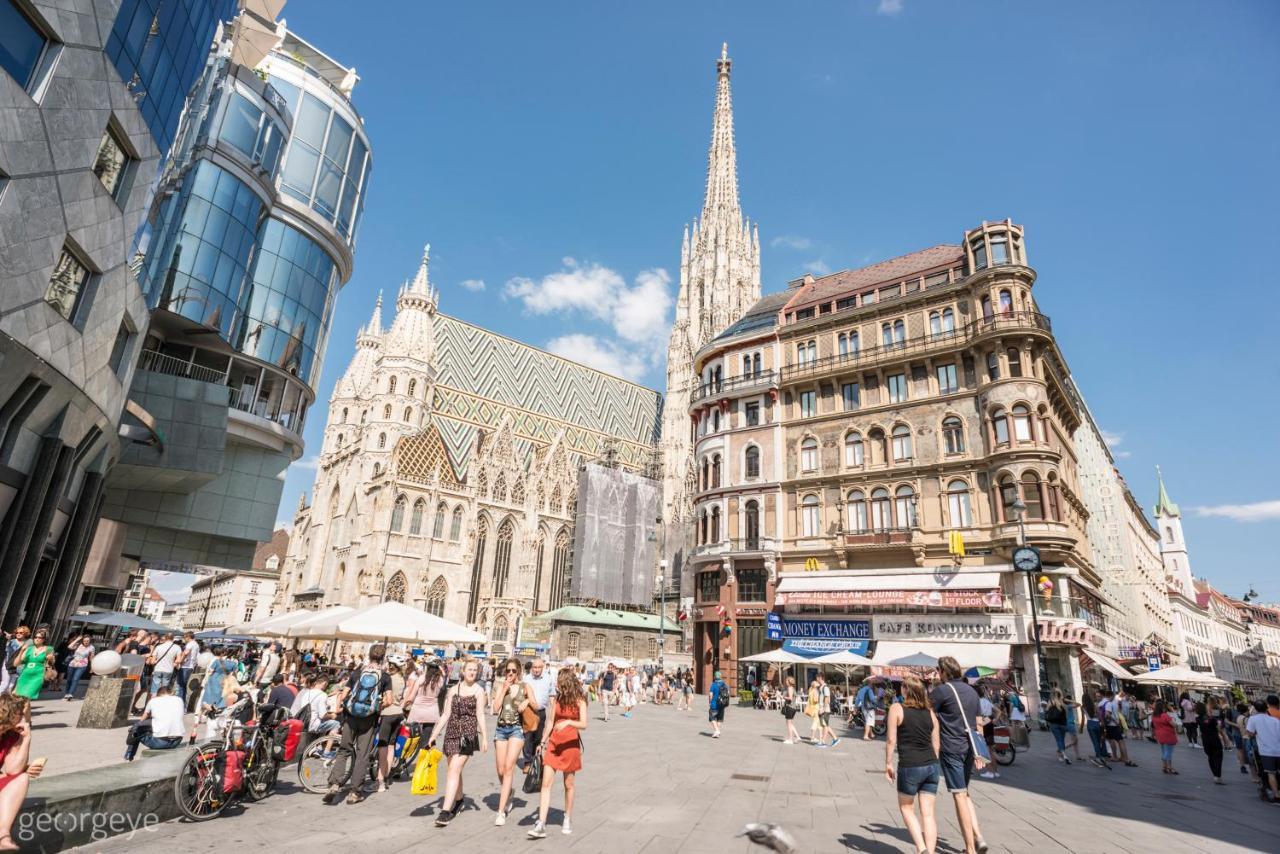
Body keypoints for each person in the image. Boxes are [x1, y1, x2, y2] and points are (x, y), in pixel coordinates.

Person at [928, 656, 988, 854]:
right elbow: (979, 723)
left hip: (952, 746)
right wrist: (981, 752)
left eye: (939, 670)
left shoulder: (942, 691)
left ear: (944, 671)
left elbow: (927, 715)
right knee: (966, 793)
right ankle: (978, 836)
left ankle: (970, 849)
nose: (938, 673)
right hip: (971, 748)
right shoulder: (971, 691)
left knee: (959, 796)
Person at [323, 643, 393, 805]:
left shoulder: (357, 672)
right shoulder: (384, 676)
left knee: (344, 750)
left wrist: (341, 708)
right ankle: (355, 792)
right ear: (383, 658)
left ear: (368, 655)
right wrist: (377, 706)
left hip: (351, 716)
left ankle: (334, 783)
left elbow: (344, 693)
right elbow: (389, 700)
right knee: (362, 755)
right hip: (369, 719)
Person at [528, 667, 588, 838]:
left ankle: (567, 817)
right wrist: (542, 742)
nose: (556, 684)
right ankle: (541, 823)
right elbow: (550, 723)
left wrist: (568, 722)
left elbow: (584, 723)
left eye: (559, 682)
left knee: (568, 784)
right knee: (546, 784)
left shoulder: (579, 700)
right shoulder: (557, 700)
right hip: (554, 744)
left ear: (566, 682)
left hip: (570, 745)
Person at [427, 658, 487, 826]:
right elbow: (445, 714)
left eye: (475, 670)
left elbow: (481, 715)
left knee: (454, 769)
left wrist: (484, 737)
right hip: (451, 733)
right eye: (470, 669)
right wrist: (433, 735)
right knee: (454, 770)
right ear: (463, 671)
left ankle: (446, 811)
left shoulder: (479, 691)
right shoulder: (453, 689)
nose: (472, 672)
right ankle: (459, 800)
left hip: (467, 735)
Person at [886, 676, 940, 854]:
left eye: (902, 687)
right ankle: (930, 852)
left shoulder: (897, 708)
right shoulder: (930, 712)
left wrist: (888, 763)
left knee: (906, 807)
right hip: (931, 765)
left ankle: (922, 848)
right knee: (928, 813)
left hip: (910, 765)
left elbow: (891, 740)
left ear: (906, 690)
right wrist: (933, 762)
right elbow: (936, 744)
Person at [490, 657, 533, 824]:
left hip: (516, 729)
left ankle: (501, 811)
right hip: (501, 729)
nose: (510, 674)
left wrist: (528, 700)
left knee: (509, 768)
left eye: (514, 671)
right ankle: (509, 792)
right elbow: (495, 708)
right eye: (508, 671)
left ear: (519, 671)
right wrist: (503, 689)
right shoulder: (503, 686)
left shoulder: (525, 687)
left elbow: (537, 705)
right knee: (500, 770)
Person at [0, 694, 45, 851]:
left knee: (22, 778)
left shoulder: (11, 735)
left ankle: (3, 835)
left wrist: (26, 738)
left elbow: (13, 770)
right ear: (10, 714)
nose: (26, 718)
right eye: (24, 713)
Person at [124, 684, 185, 760]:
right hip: (177, 741)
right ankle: (129, 756)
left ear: (158, 695)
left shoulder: (153, 701)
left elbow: (144, 717)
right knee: (154, 725)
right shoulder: (179, 700)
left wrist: (135, 726)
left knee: (136, 729)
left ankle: (129, 756)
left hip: (160, 743)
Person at [374, 655, 408, 793]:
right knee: (391, 746)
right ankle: (386, 775)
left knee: (382, 746)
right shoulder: (402, 679)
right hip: (398, 713)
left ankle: (380, 780)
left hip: (388, 713)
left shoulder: (388, 678)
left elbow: (384, 698)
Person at [404, 657, 446, 757]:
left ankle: (403, 759)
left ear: (427, 667)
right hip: (432, 712)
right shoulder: (440, 680)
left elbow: (411, 696)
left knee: (409, 736)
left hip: (417, 710)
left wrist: (404, 705)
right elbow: (443, 680)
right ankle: (422, 762)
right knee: (426, 739)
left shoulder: (422, 678)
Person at [1245, 694, 1280, 803]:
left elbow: (1249, 733)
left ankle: (1276, 796)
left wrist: (1256, 733)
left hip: (1266, 751)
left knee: (1271, 773)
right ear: (1266, 707)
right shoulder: (1275, 720)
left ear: (1255, 708)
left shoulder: (1253, 719)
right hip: (1278, 749)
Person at [521, 657, 554, 767]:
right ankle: (527, 761)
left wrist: (553, 711)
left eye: (539, 667)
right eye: (534, 667)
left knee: (538, 737)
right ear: (532, 668)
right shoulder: (526, 679)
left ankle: (535, 759)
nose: (536, 669)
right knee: (527, 736)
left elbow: (552, 694)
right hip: (529, 711)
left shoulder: (548, 678)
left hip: (541, 712)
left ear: (543, 668)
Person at [290, 672, 340, 739]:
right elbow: (323, 715)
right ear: (324, 683)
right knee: (336, 724)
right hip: (312, 726)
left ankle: (317, 743)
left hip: (302, 722)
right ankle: (327, 749)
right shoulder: (323, 695)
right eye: (327, 685)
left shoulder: (306, 693)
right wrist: (332, 715)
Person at [10, 628, 52, 702]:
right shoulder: (29, 649)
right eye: (35, 637)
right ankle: (23, 713)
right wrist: (22, 651)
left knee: (27, 699)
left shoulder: (48, 649)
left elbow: (51, 664)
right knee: (18, 698)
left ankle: (22, 713)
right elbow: (16, 664)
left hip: (37, 677)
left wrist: (50, 659)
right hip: (24, 676)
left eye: (40, 637)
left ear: (44, 639)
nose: (37, 639)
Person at [1099, 689, 1136, 767]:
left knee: (1117, 741)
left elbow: (1107, 715)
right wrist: (1118, 721)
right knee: (1120, 741)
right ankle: (1123, 757)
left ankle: (1121, 758)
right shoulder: (1115, 703)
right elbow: (1118, 712)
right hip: (1116, 724)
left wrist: (1114, 721)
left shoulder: (1109, 703)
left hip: (1111, 725)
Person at [200, 647, 237, 714]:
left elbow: (210, 672)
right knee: (221, 696)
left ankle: (208, 711)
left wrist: (206, 681)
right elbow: (234, 674)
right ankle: (218, 709)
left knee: (210, 696)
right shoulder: (233, 663)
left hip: (214, 679)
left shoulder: (216, 661)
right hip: (225, 680)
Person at [1196, 699, 1225, 785]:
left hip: (1205, 739)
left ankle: (1215, 775)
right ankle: (1218, 775)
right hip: (1214, 738)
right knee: (1218, 756)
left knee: (1210, 756)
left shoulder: (1198, 719)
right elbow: (1218, 724)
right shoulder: (1211, 718)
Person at [1081, 691, 1110, 769]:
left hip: (1090, 724)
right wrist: (1102, 724)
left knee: (1095, 741)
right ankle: (1103, 754)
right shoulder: (1094, 705)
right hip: (1097, 723)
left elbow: (1083, 719)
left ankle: (1098, 756)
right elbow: (1099, 715)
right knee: (1100, 740)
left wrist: (1081, 728)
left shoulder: (1082, 707)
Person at [1151, 698, 1179, 775]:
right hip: (1168, 735)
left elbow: (1153, 725)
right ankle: (1169, 767)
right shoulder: (1165, 715)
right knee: (1168, 752)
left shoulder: (1154, 716)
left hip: (1159, 735)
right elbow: (1174, 725)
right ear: (1162, 708)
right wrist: (1176, 723)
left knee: (1163, 750)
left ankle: (1164, 766)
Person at [63, 635, 94, 700]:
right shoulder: (78, 645)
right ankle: (66, 693)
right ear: (82, 641)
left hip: (82, 665)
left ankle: (70, 694)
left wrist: (92, 667)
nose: (86, 642)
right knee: (69, 679)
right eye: (85, 641)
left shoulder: (91, 648)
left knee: (75, 679)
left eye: (87, 641)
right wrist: (77, 639)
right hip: (72, 664)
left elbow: (91, 658)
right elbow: (69, 647)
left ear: (90, 641)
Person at [1045, 690, 1071, 764]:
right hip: (1062, 724)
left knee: (1059, 740)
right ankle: (1062, 755)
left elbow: (1046, 711)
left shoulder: (1051, 702)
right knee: (1061, 740)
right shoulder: (1062, 702)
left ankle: (1062, 755)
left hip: (1054, 724)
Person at [815, 673, 838, 748]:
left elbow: (827, 699)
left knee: (825, 725)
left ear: (820, 678)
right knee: (826, 725)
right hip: (822, 709)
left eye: (817, 678)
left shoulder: (825, 687)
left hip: (825, 709)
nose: (816, 679)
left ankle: (823, 742)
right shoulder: (821, 687)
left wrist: (823, 709)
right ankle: (835, 738)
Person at [178, 633, 200, 703]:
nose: (184, 639)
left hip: (186, 666)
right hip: (190, 666)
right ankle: (183, 703)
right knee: (184, 686)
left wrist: (181, 661)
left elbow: (186, 653)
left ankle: (180, 703)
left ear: (188, 637)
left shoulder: (190, 644)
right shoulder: (196, 644)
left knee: (181, 686)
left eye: (185, 637)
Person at [708, 670, 728, 738]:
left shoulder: (713, 684)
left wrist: (710, 702)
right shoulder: (724, 684)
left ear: (714, 677)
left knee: (712, 717)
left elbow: (710, 695)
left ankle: (716, 730)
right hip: (722, 704)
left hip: (714, 704)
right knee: (720, 718)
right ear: (720, 676)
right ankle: (717, 732)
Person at [781, 676, 801, 744]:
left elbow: (790, 698)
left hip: (790, 707)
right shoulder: (793, 688)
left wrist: (783, 697)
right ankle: (797, 736)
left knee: (789, 724)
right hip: (793, 707)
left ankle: (790, 739)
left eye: (786, 681)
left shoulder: (789, 688)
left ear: (789, 682)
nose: (786, 682)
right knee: (790, 723)